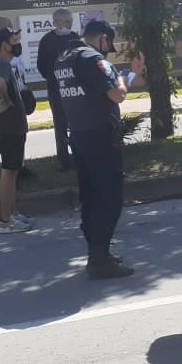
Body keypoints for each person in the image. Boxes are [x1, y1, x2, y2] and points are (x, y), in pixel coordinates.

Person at [54, 20, 134, 280]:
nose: (109, 48)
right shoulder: (92, 58)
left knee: (90, 197)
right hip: (100, 136)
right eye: (108, 42)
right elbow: (116, 95)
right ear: (101, 38)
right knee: (109, 198)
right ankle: (99, 260)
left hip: (79, 135)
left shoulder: (64, 57)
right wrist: (123, 78)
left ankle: (97, 253)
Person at [0, 27, 33, 234]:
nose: (17, 42)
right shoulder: (2, 65)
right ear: (5, 45)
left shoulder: (4, 64)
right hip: (8, 128)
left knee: (13, 173)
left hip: (12, 128)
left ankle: (12, 215)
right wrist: (5, 100)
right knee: (8, 172)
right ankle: (5, 221)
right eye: (14, 39)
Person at [37, 8, 79, 172]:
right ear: (56, 23)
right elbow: (41, 65)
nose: (70, 24)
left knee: (76, 123)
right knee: (60, 124)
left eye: (71, 21)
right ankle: (63, 159)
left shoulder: (75, 38)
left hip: (75, 88)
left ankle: (79, 156)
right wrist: (54, 78)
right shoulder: (46, 41)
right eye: (67, 21)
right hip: (56, 89)